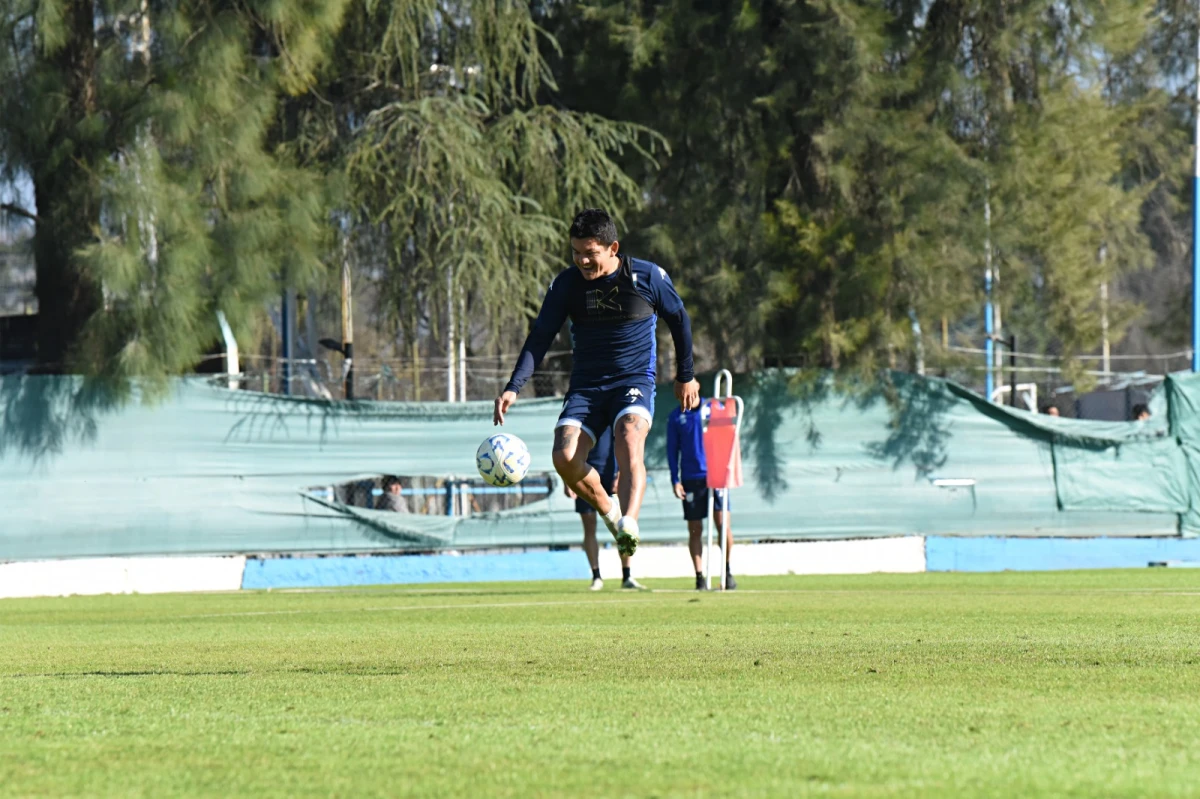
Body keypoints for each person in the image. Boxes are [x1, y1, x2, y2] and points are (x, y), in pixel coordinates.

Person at [493, 208, 700, 559]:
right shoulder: (566, 285)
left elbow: (679, 319)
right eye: (576, 253)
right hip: (587, 387)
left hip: (633, 381)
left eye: (590, 253)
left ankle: (630, 524)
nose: (582, 260)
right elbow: (541, 334)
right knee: (564, 457)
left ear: (612, 248)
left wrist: (685, 375)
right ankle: (610, 511)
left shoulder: (645, 277)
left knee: (629, 438)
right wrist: (514, 385)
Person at [564, 427, 645, 591]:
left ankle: (627, 575)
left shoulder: (612, 411)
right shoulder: (579, 412)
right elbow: (568, 446)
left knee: (622, 525)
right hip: (583, 474)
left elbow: (625, 442)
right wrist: (568, 479)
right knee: (589, 527)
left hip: (609, 475)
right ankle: (596, 577)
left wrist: (621, 473)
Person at [667, 400, 735, 591]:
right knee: (695, 528)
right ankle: (699, 577)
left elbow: (729, 434)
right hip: (691, 478)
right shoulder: (675, 416)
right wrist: (675, 479)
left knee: (723, 524)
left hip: (717, 474)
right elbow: (672, 450)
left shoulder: (713, 408)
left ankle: (727, 570)